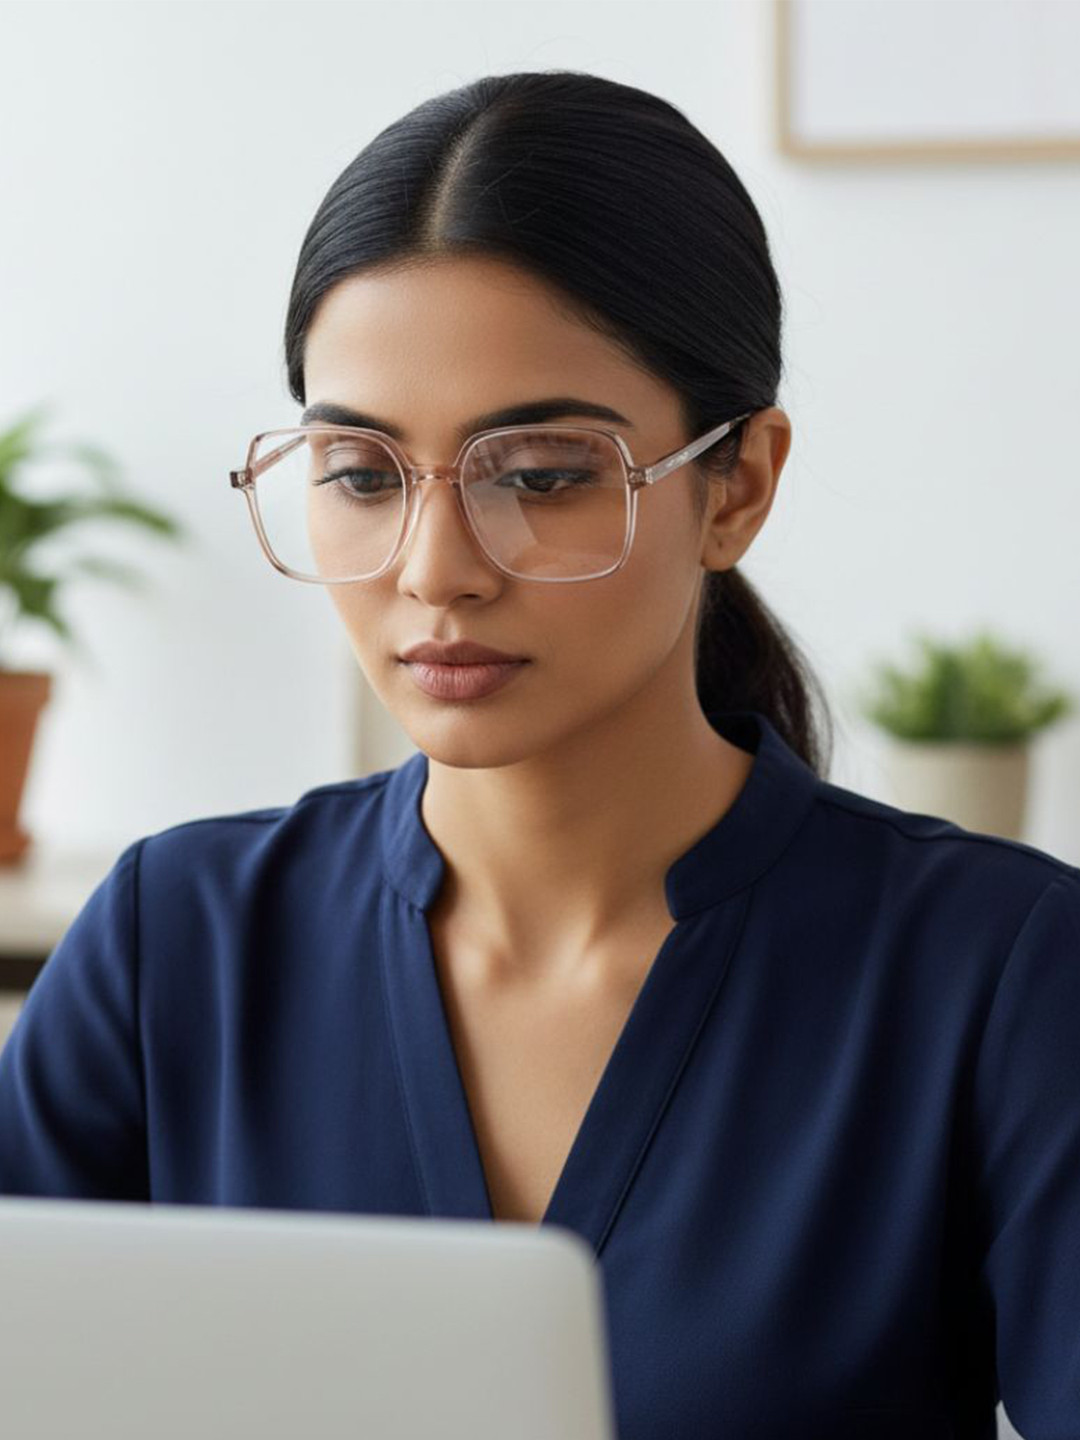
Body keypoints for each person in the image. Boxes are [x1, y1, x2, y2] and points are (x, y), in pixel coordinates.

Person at [1, 70, 1078, 1440]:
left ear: (737, 484)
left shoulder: (997, 972)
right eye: (363, 473)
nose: (435, 573)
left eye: (543, 473)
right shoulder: (179, 943)